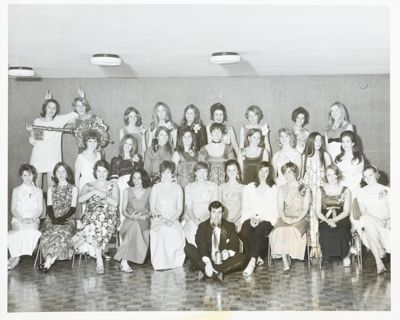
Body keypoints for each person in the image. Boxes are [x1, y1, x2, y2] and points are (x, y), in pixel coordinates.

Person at [72, 160, 120, 274]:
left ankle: (81, 237)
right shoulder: (89, 185)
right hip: (91, 217)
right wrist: (94, 191)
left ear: (108, 172)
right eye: (99, 171)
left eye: (104, 171)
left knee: (98, 215)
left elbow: (116, 203)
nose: (102, 174)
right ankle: (99, 259)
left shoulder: (113, 185)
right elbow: (79, 199)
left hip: (108, 216)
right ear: (95, 172)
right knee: (95, 221)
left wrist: (102, 195)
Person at [184, 201, 246, 282]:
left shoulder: (230, 226)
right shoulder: (202, 226)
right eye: (214, 212)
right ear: (210, 212)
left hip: (222, 262)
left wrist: (227, 253)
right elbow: (201, 246)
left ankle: (208, 272)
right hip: (206, 259)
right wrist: (208, 263)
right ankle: (216, 273)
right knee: (188, 248)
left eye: (219, 212)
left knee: (242, 257)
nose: (216, 216)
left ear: (223, 213)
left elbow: (235, 246)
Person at [26, 92, 78, 188]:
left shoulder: (59, 120)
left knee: (52, 189)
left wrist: (81, 98)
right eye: (49, 107)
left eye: (54, 108)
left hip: (53, 157)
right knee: (37, 189)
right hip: (39, 156)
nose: (51, 110)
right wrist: (30, 132)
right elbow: (35, 141)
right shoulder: (38, 121)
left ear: (56, 110)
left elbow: (76, 114)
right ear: (45, 108)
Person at [269, 162, 310, 271]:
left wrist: (297, 219)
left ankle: (290, 254)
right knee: (279, 231)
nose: (287, 175)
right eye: (285, 173)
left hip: (301, 217)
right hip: (284, 217)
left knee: (291, 230)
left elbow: (306, 209)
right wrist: (285, 218)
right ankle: (284, 259)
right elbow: (280, 208)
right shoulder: (281, 188)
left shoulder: (304, 187)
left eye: (289, 172)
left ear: (295, 173)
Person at [240, 161, 278, 277]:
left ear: (269, 173)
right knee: (245, 230)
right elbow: (245, 207)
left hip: (267, 219)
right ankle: (258, 257)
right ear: (257, 171)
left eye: (266, 171)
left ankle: (251, 263)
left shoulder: (273, 188)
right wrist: (251, 218)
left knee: (259, 230)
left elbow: (274, 210)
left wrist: (261, 219)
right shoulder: (249, 187)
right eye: (261, 170)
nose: (263, 173)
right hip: (251, 216)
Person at [39, 162, 78, 272]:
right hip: (51, 219)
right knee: (52, 234)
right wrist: (54, 219)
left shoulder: (73, 189)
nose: (61, 174)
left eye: (63, 171)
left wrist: (61, 219)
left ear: (67, 173)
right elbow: (49, 207)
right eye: (58, 171)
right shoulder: (51, 189)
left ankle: (48, 262)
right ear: (55, 174)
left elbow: (73, 209)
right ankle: (49, 262)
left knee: (61, 233)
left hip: (67, 219)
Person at [114, 168, 152, 272]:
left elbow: (152, 210)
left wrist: (145, 216)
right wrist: (132, 217)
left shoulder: (149, 191)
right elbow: (123, 210)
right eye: (134, 178)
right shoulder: (127, 191)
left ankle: (122, 257)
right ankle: (124, 261)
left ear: (143, 179)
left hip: (144, 221)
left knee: (136, 225)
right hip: (129, 221)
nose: (136, 180)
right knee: (134, 224)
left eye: (139, 178)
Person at [149, 161, 185, 270]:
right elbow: (152, 208)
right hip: (158, 219)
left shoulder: (178, 188)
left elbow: (179, 209)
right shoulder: (155, 187)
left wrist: (172, 219)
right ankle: (160, 263)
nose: (165, 175)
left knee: (174, 230)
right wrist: (163, 219)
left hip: (173, 219)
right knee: (163, 230)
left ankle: (173, 262)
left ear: (172, 174)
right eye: (163, 173)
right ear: (160, 174)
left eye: (168, 172)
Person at [355, 166, 390, 274]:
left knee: (367, 224)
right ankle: (379, 261)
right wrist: (375, 220)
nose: (368, 178)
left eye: (370, 175)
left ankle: (379, 261)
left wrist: (383, 220)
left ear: (376, 174)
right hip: (369, 222)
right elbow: (363, 211)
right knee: (366, 221)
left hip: (384, 222)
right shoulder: (361, 191)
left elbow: (392, 210)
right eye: (365, 176)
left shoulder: (386, 190)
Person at [302, 132, 332, 257]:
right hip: (309, 191)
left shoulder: (325, 155)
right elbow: (303, 175)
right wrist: (305, 189)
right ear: (310, 142)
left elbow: (331, 174)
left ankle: (321, 245)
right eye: (315, 141)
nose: (318, 143)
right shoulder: (305, 156)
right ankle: (313, 245)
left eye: (320, 141)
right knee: (311, 218)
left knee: (320, 217)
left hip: (321, 191)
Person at [316, 164, 352, 267]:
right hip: (325, 218)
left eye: (333, 175)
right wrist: (328, 221)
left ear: (338, 175)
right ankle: (327, 255)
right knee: (325, 229)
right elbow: (318, 212)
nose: (331, 178)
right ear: (325, 176)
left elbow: (346, 212)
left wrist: (334, 220)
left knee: (341, 229)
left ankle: (345, 254)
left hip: (341, 217)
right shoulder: (320, 189)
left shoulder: (346, 190)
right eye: (328, 175)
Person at [8, 164, 43, 270]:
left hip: (33, 219)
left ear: (34, 176)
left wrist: (32, 219)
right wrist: (21, 219)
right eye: (25, 175)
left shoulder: (39, 191)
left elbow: (40, 209)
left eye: (30, 175)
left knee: (30, 233)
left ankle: (14, 257)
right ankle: (16, 257)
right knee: (20, 233)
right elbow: (13, 209)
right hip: (18, 219)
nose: (28, 178)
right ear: (21, 176)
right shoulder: (16, 190)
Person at [110, 134, 143, 224]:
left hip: (134, 187)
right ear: (122, 144)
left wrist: (137, 163)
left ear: (133, 146)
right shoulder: (115, 160)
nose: (127, 146)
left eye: (130, 144)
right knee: (122, 213)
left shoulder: (137, 159)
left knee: (134, 211)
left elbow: (140, 177)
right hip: (121, 188)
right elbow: (113, 181)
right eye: (126, 143)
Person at [183, 162, 218, 245]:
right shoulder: (189, 187)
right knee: (193, 232)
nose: (202, 174)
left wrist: (204, 218)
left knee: (210, 233)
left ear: (208, 173)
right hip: (193, 217)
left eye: (204, 171)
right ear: (195, 173)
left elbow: (214, 207)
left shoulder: (213, 186)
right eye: (199, 172)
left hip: (209, 216)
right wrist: (195, 221)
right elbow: (189, 208)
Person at [69, 88, 110, 154]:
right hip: (83, 152)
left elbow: (103, 131)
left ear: (86, 106)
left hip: (96, 151)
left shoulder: (94, 117)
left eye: (83, 105)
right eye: (78, 106)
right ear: (75, 108)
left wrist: (103, 126)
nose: (81, 108)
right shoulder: (75, 120)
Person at [334, 130, 364, 196]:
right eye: (343, 141)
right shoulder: (338, 159)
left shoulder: (358, 158)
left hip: (354, 190)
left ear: (353, 143)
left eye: (348, 141)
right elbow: (335, 176)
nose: (345, 144)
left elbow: (358, 177)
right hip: (340, 190)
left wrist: (347, 190)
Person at [74, 129, 102, 197]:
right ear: (86, 142)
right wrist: (77, 194)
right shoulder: (80, 157)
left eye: (95, 141)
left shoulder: (99, 155)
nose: (93, 143)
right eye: (90, 141)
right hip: (84, 186)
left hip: (97, 185)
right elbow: (76, 178)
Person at [218, 159, 243, 229]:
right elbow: (219, 206)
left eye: (234, 170)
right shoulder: (221, 187)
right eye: (229, 170)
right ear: (226, 172)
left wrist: (234, 219)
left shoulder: (242, 188)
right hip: (224, 218)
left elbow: (243, 208)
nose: (231, 173)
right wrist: (225, 219)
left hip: (238, 219)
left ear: (238, 171)